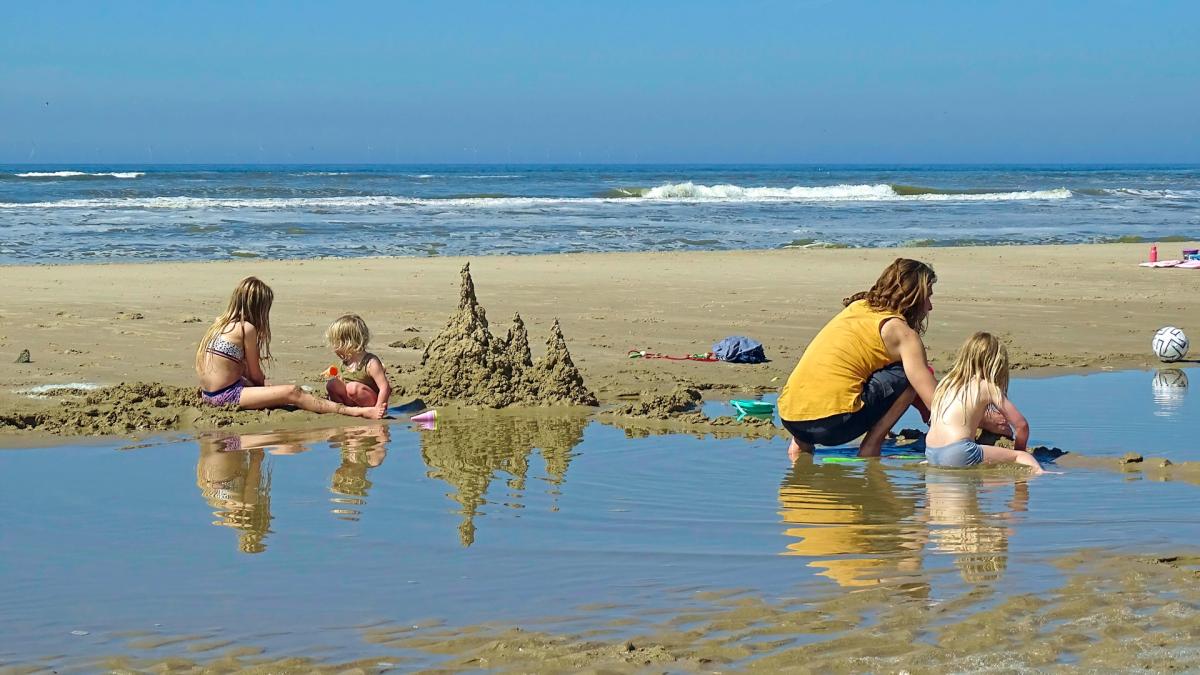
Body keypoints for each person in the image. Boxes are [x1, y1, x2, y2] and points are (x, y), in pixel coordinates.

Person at [779, 258, 947, 460]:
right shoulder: (902, 333)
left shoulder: (857, 307)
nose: (930, 307)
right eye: (927, 298)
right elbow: (934, 400)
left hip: (789, 418)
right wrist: (977, 419)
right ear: (913, 298)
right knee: (909, 375)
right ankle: (871, 445)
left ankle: (798, 447)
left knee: (837, 371)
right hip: (833, 425)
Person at [195, 277, 383, 419]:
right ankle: (356, 412)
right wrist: (271, 393)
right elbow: (255, 375)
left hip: (209, 393)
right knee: (293, 392)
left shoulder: (220, 325)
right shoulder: (247, 328)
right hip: (226, 395)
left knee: (274, 388)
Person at [924, 332, 1044, 474]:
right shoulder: (986, 386)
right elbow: (1021, 425)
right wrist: (1019, 451)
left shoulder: (946, 382)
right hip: (958, 451)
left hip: (931, 452)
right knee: (1022, 457)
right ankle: (1042, 475)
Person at [325, 314, 391, 418]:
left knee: (352, 388)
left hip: (370, 401)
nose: (333, 348)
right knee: (332, 383)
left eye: (335, 343)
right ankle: (340, 409)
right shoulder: (346, 362)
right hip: (352, 402)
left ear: (347, 343)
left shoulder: (370, 363)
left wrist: (379, 407)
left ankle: (370, 411)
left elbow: (385, 387)